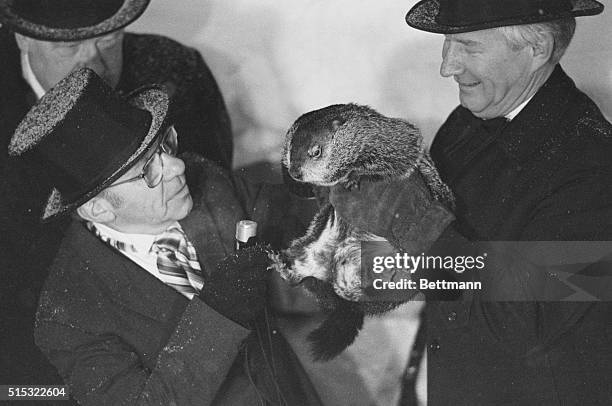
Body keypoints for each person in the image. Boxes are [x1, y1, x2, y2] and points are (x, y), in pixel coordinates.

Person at [330, 0, 612, 404]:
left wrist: (411, 222)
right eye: (448, 42)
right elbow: (437, 272)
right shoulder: (467, 124)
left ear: (538, 50)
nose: (448, 66)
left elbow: (522, 321)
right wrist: (348, 259)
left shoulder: (596, 165)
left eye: (468, 46)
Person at [8, 67, 321, 405]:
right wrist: (219, 312)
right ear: (98, 209)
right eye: (147, 171)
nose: (176, 167)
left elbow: (301, 228)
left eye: (164, 146)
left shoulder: (207, 184)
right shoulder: (69, 317)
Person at [0, 0, 232, 386]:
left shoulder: (179, 71)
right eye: (67, 46)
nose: (92, 62)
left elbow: (215, 207)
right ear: (22, 37)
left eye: (109, 39)